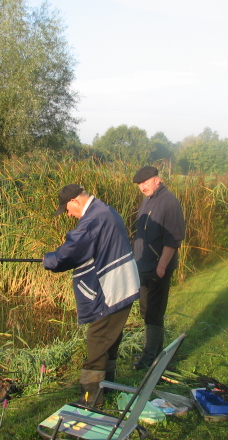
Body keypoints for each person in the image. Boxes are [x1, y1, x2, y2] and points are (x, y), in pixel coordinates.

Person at [43, 184, 140, 407]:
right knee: (110, 341)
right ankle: (108, 389)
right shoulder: (104, 210)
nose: (68, 214)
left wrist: (49, 260)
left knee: (97, 343)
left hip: (112, 289)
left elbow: (71, 251)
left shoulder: (94, 218)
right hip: (120, 286)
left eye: (67, 209)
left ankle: (90, 400)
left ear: (76, 201)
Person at [131, 166, 186, 370]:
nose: (142, 187)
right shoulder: (149, 200)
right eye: (139, 184)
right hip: (144, 265)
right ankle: (156, 351)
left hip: (158, 267)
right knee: (147, 310)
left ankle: (149, 359)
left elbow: (173, 238)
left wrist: (162, 266)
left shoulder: (169, 202)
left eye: (145, 182)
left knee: (154, 311)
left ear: (157, 180)